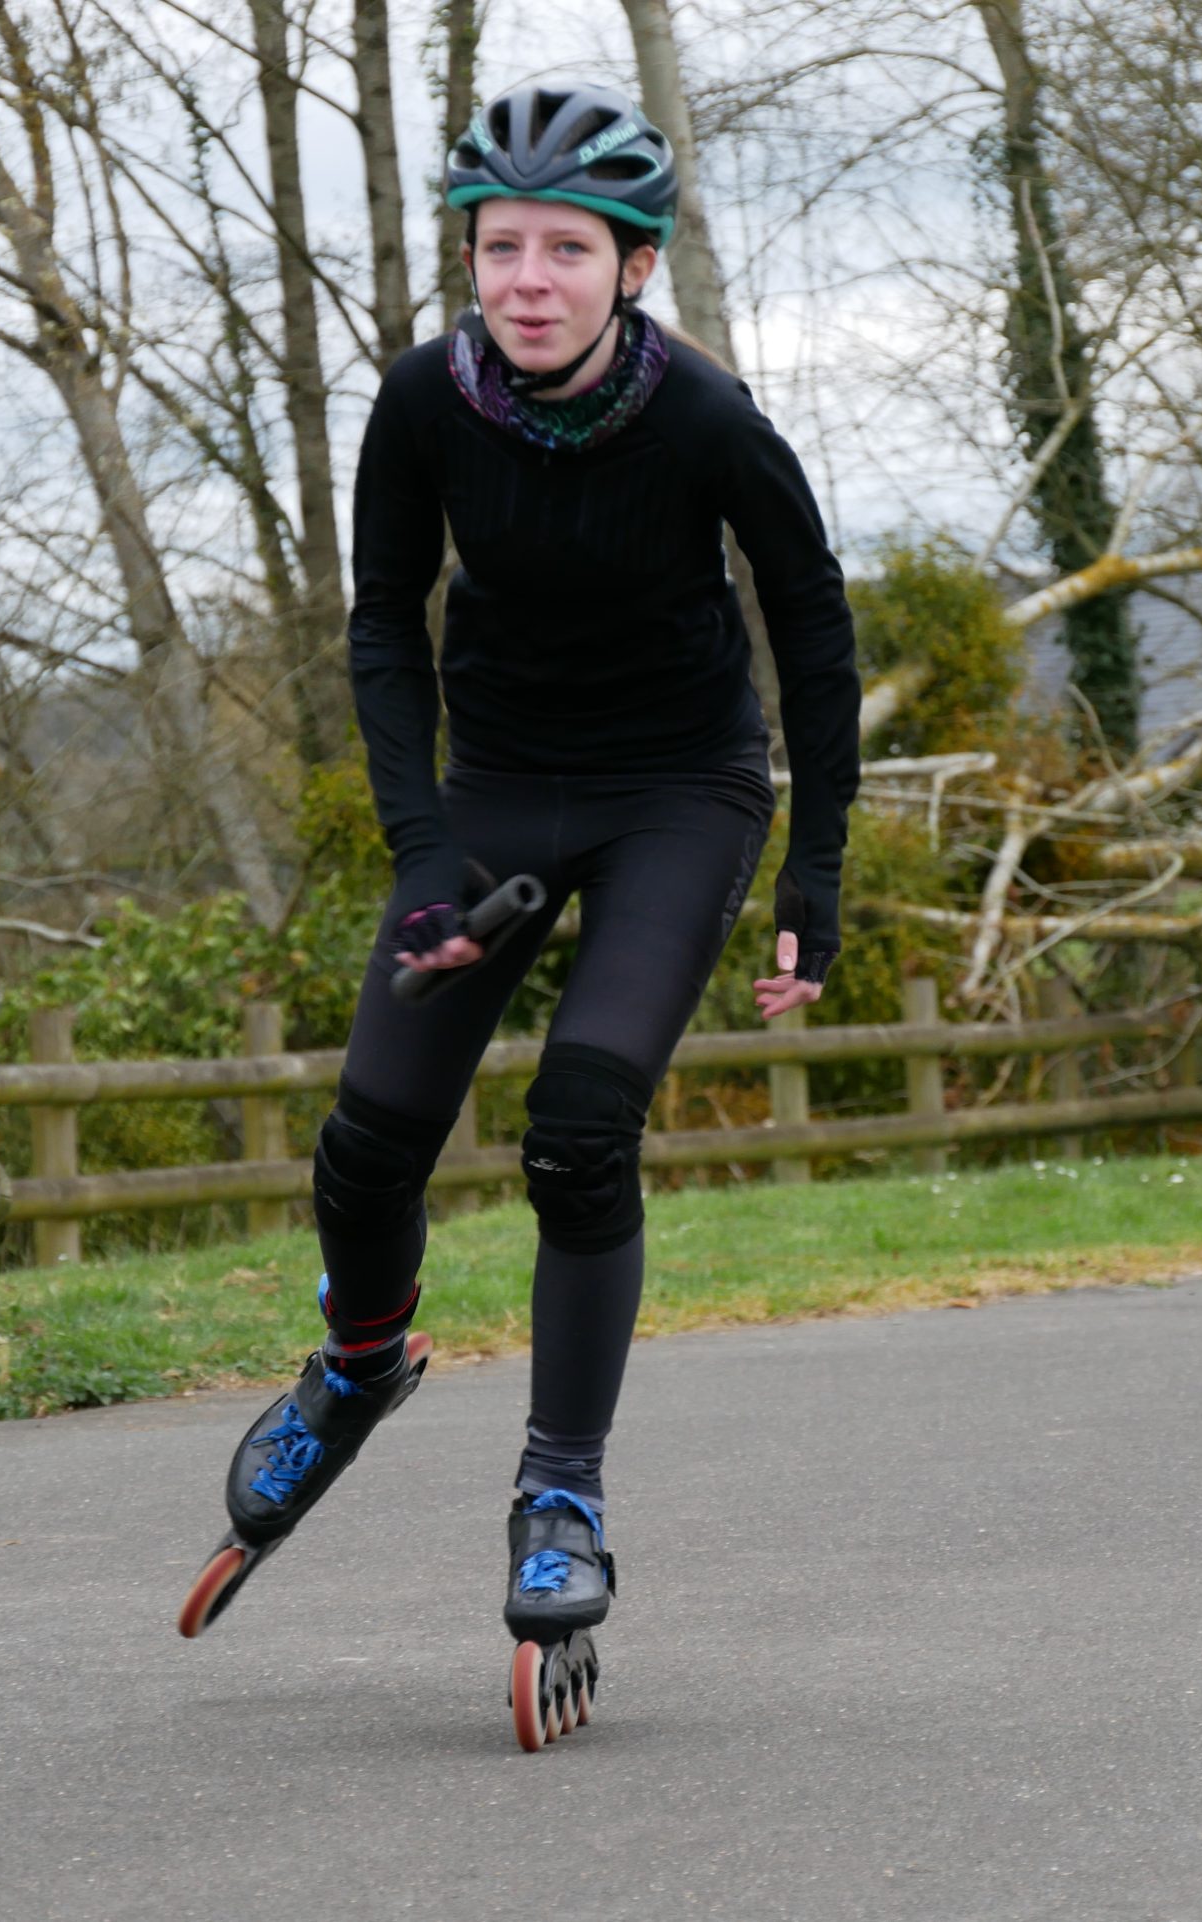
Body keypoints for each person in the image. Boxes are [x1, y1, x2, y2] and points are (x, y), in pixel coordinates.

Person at [177, 79, 862, 1746]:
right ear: (469, 259)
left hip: (678, 792)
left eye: (568, 248)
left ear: (634, 266)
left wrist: (816, 868)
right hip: (497, 792)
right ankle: (359, 1361)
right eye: (501, 248)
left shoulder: (707, 420)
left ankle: (562, 1490)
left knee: (577, 1127)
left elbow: (813, 626)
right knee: (371, 1139)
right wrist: (424, 846)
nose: (529, 279)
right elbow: (380, 625)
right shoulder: (423, 403)